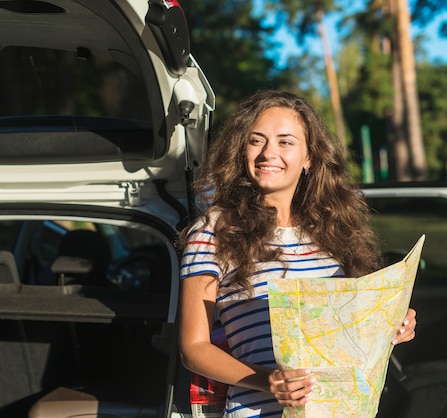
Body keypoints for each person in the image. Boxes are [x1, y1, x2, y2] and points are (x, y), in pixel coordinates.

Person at [178, 90, 417, 417]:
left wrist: (391, 323)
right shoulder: (214, 230)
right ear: (240, 150)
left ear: (309, 158)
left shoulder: (332, 231)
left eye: (285, 142)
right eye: (256, 140)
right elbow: (194, 349)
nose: (268, 153)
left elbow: (350, 331)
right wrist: (269, 381)